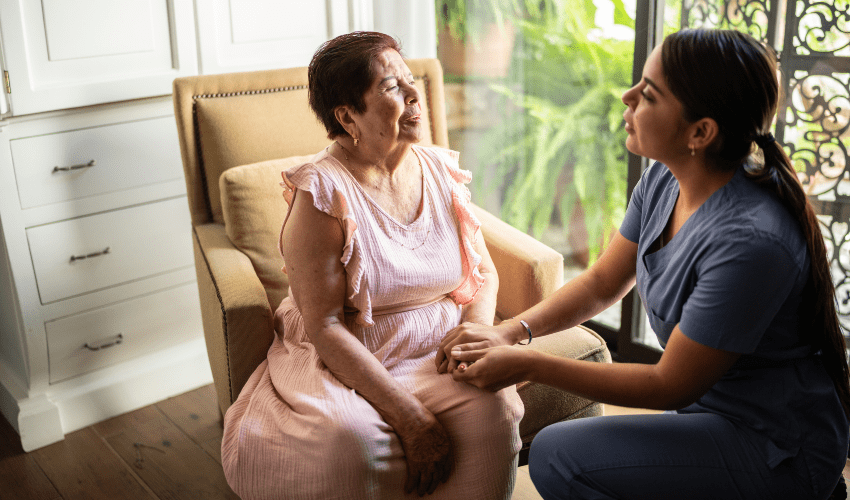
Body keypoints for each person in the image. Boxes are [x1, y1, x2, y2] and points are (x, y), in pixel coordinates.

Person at [441, 28, 850, 500]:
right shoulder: (666, 177)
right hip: (708, 413)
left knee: (559, 455)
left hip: (774, 445)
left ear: (701, 132)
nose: (627, 96)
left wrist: (524, 363)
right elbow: (600, 283)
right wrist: (508, 332)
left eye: (649, 94)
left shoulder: (751, 243)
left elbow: (666, 384)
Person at [220, 31, 523, 500]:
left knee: (495, 410)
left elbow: (481, 272)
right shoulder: (321, 194)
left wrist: (475, 335)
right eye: (391, 87)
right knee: (350, 444)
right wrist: (409, 415)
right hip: (348, 354)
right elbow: (324, 325)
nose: (414, 94)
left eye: (410, 80)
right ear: (347, 116)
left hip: (437, 346)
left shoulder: (440, 169)